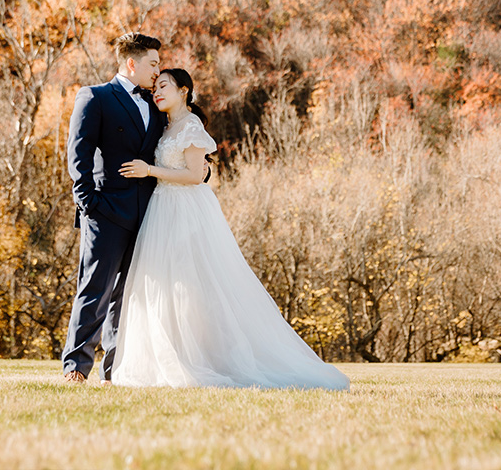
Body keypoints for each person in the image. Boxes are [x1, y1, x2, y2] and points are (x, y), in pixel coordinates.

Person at [112, 68, 349, 390]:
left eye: (164, 85)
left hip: (186, 211)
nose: (157, 91)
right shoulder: (165, 127)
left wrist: (149, 170)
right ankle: (173, 358)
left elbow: (196, 175)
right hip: (163, 208)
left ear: (184, 91)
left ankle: (207, 357)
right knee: (167, 286)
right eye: (155, 86)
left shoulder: (191, 126)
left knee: (198, 285)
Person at [61, 33, 165, 383]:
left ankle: (114, 372)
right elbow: (79, 153)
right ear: (131, 63)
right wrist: (88, 202)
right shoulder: (95, 97)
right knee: (95, 290)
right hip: (105, 211)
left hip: (147, 213)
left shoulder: (155, 103)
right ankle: (76, 367)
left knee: (127, 297)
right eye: (153, 64)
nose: (157, 71)